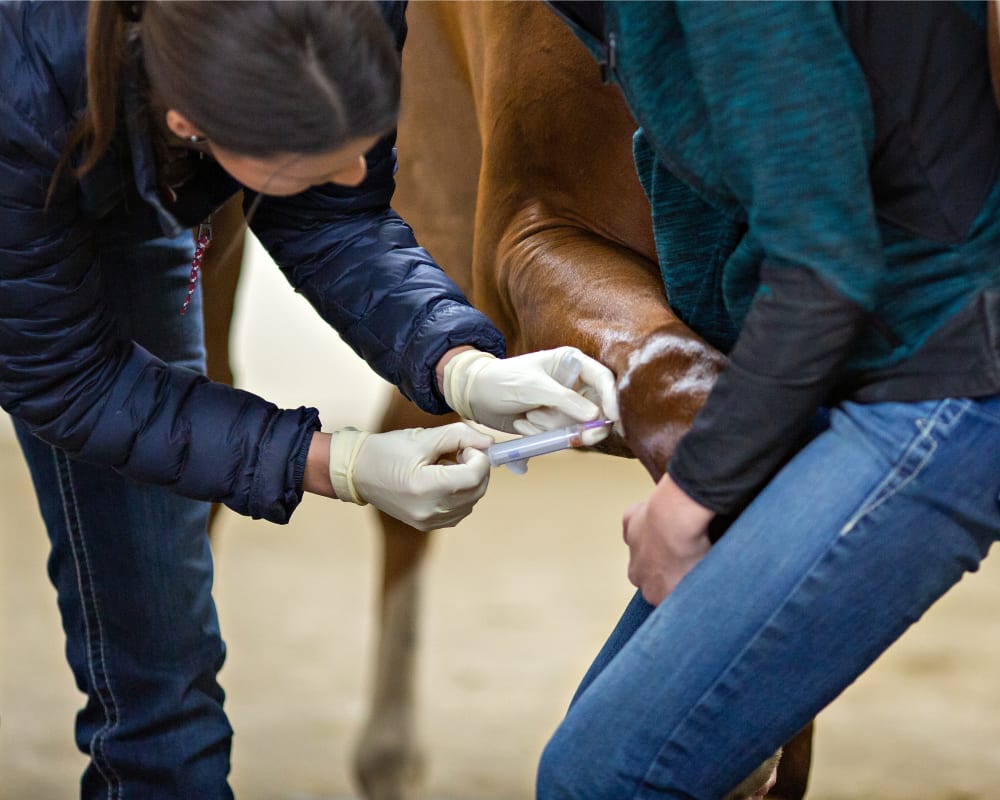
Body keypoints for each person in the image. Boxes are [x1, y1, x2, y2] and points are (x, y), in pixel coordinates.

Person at [0, 2, 619, 797]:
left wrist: (459, 362)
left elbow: (339, 210)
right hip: (44, 167)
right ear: (192, 127)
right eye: (313, 156)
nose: (360, 170)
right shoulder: (23, 111)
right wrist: (341, 463)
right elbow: (72, 380)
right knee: (157, 685)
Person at [536, 2, 1000, 798]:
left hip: (940, 376)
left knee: (601, 775)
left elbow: (823, 270)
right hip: (863, 368)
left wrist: (688, 502)